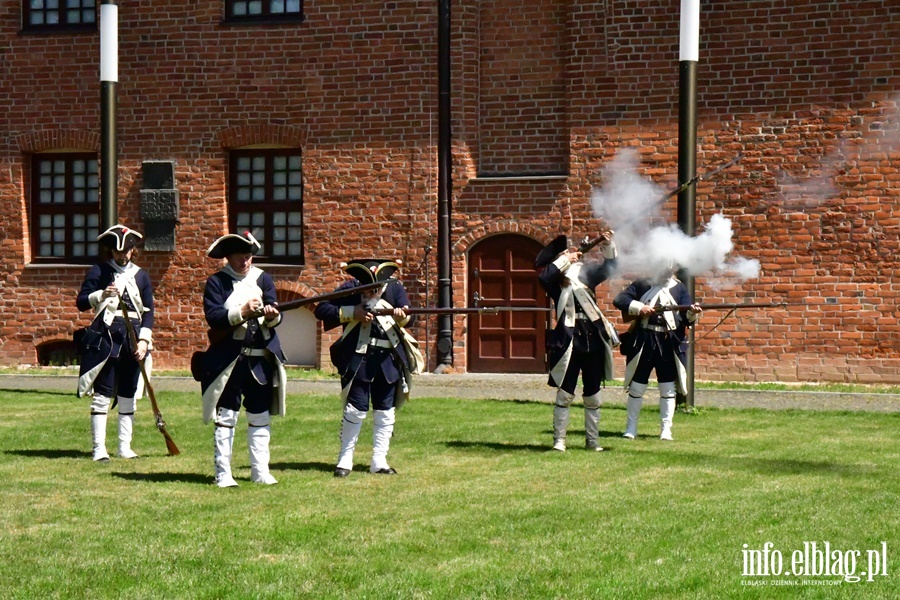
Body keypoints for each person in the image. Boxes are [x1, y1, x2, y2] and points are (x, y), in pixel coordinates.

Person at [314, 259, 420, 477]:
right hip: (358, 357)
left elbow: (410, 317)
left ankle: (379, 460)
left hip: (387, 358)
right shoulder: (351, 289)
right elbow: (322, 309)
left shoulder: (395, 289)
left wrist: (402, 316)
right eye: (369, 286)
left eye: (377, 287)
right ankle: (345, 459)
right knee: (356, 408)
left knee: (385, 409)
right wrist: (353, 312)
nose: (374, 291)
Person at [200, 231, 287, 488]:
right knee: (226, 416)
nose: (245, 263)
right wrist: (242, 311)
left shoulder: (263, 279)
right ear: (227, 257)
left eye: (248, 257)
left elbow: (275, 315)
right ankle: (223, 473)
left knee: (260, 416)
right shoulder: (217, 282)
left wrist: (271, 315)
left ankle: (260, 471)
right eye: (239, 258)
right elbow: (214, 317)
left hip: (259, 359)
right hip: (229, 360)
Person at [536, 230, 620, 452]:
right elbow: (543, 277)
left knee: (592, 394)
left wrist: (608, 245)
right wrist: (566, 260)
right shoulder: (554, 280)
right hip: (568, 342)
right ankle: (559, 441)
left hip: (591, 339)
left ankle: (592, 442)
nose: (571, 255)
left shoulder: (586, 274)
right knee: (565, 393)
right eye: (563, 254)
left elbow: (610, 267)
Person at [76, 225, 154, 462]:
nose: (122, 256)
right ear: (112, 250)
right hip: (107, 337)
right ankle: (99, 448)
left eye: (126, 251)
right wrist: (101, 294)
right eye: (118, 251)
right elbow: (81, 302)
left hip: (134, 337)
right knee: (103, 393)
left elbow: (149, 312)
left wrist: (144, 340)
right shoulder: (100, 271)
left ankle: (124, 446)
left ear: (132, 250)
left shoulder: (141, 275)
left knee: (128, 394)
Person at [613, 260, 702, 441]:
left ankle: (666, 430)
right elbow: (620, 300)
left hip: (667, 343)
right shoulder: (643, 283)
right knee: (637, 387)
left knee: (668, 388)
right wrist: (640, 307)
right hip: (645, 340)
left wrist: (693, 312)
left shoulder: (680, 289)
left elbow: (687, 318)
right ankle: (631, 428)